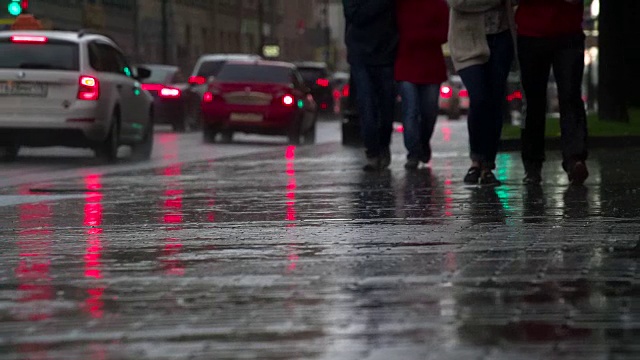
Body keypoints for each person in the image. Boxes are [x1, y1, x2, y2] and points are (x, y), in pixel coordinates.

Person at [516, 0, 588, 185]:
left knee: (570, 95)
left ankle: (574, 159)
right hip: (532, 33)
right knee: (534, 101)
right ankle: (533, 164)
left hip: (567, 33)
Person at [447, 0, 517, 186]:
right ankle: (476, 159)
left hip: (501, 38)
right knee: (479, 98)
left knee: (495, 102)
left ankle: (487, 165)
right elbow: (458, 2)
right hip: (467, 42)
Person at [343, 0, 399, 171]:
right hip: (361, 55)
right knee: (366, 104)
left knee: (386, 106)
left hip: (386, 52)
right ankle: (373, 151)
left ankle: (382, 147)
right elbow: (355, 16)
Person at [395, 0, 449, 170]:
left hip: (430, 67)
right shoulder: (400, 4)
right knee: (410, 111)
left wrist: (416, 36)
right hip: (406, 65)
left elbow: (444, 32)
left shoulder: (437, 4)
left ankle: (422, 144)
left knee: (429, 112)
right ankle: (413, 152)